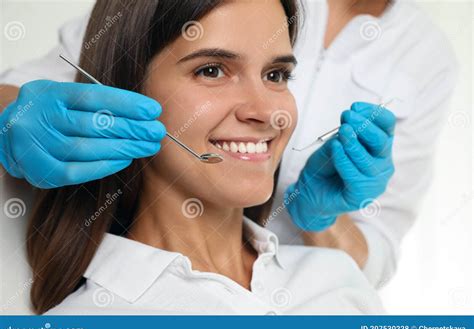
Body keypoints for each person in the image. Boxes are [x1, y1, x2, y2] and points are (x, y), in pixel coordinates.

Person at [0, 0, 457, 291]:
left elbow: (374, 261)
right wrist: (11, 120)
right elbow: (23, 90)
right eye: (212, 70)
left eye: (278, 75)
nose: (269, 112)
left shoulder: (425, 53)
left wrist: (322, 217)